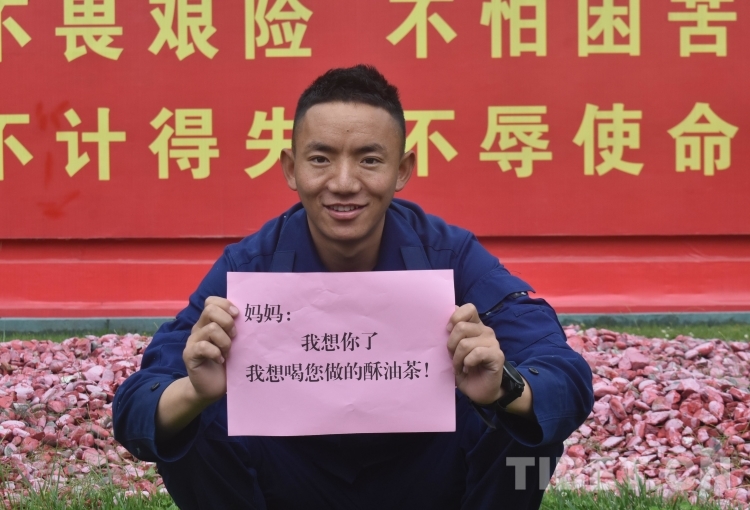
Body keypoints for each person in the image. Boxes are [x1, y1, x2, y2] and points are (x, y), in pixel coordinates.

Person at [113, 64, 594, 510]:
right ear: (291, 168)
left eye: (369, 160)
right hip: (291, 474)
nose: (343, 183)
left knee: (525, 424)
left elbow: (564, 376)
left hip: (426, 472)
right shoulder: (250, 268)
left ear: (402, 170)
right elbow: (137, 405)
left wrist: (503, 388)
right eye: (321, 158)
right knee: (189, 422)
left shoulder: (450, 255)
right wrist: (194, 392)